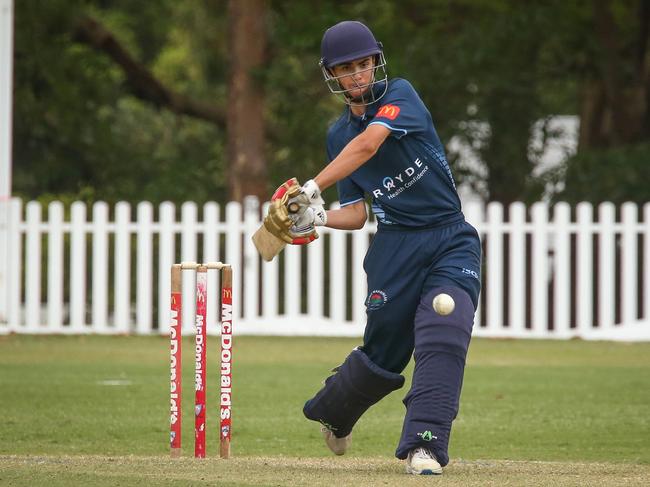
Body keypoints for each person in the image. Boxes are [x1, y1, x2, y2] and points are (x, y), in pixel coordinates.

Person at [263, 20, 481, 476]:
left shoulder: (401, 95)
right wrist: (317, 216)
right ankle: (335, 412)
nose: (359, 75)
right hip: (395, 248)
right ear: (333, 76)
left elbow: (370, 144)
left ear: (376, 63)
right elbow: (359, 212)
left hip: (449, 236)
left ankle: (425, 445)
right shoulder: (336, 136)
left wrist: (311, 187)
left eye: (364, 64)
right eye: (347, 68)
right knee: (384, 353)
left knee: (446, 328)